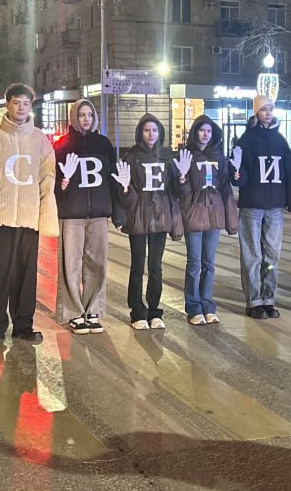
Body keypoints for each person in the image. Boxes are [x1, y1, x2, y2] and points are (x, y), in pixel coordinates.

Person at [0, 84, 58, 345]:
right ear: (7, 104)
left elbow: (47, 178)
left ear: (30, 106)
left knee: (26, 274)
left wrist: (45, 213)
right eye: (15, 102)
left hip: (28, 218)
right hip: (0, 216)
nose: (20, 108)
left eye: (25, 103)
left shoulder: (40, 140)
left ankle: (23, 325)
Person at [112, 113, 182, 330]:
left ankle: (154, 310)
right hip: (138, 218)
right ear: (140, 133)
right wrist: (124, 189)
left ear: (159, 132)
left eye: (154, 130)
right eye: (146, 130)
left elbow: (175, 192)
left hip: (160, 218)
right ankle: (137, 311)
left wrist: (182, 179)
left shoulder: (168, 157)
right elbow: (126, 196)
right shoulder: (131, 158)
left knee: (156, 267)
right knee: (137, 266)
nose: (151, 134)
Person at [232, 95, 291, 318]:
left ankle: (269, 298)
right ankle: (253, 300)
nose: (268, 113)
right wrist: (237, 174)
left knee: (272, 256)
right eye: (263, 109)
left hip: (274, 207)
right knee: (253, 255)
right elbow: (240, 175)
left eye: (270, 109)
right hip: (252, 206)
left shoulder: (280, 140)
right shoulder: (246, 140)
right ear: (256, 113)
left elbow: (290, 171)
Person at [53, 99, 115, 334]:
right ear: (73, 117)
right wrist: (64, 183)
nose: (86, 119)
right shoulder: (63, 145)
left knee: (97, 263)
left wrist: (115, 207)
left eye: (89, 114)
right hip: (72, 214)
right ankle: (73, 312)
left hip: (98, 214)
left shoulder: (103, 144)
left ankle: (93, 310)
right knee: (71, 264)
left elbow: (111, 178)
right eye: (81, 115)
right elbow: (54, 185)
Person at [176, 114, 238, 324]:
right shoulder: (186, 155)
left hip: (213, 211)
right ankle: (193, 307)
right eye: (202, 130)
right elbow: (179, 190)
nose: (205, 134)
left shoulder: (218, 156)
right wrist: (182, 179)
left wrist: (235, 174)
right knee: (194, 262)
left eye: (209, 131)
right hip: (194, 211)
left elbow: (224, 186)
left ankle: (207, 304)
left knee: (209, 262)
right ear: (195, 132)